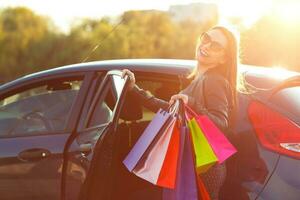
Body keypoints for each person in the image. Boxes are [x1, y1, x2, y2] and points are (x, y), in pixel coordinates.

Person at [122, 26, 238, 200]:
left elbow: (220, 124)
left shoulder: (214, 80)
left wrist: (192, 103)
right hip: (195, 165)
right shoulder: (200, 80)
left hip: (204, 168)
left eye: (215, 46)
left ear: (224, 58)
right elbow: (171, 110)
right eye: (206, 38)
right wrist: (135, 90)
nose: (206, 46)